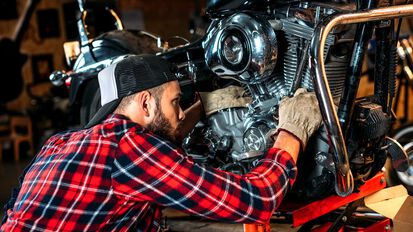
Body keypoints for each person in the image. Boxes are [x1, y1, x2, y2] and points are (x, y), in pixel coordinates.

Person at [1, 54, 322, 231]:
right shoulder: (129, 148)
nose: (179, 112)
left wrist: (197, 112)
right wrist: (292, 131)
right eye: (174, 102)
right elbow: (256, 201)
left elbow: (12, 209)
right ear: (145, 104)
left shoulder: (61, 142)